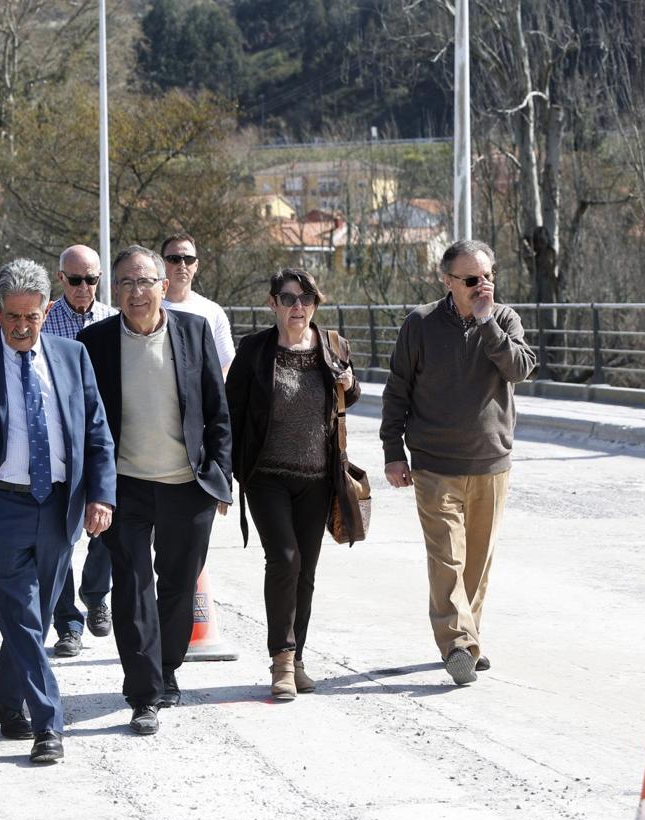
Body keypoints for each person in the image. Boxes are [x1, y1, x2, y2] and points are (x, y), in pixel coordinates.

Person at [0, 258, 116, 764]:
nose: (20, 328)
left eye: (31, 317)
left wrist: (101, 496)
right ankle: (48, 725)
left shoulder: (72, 357)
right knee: (20, 617)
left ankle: (1, 697)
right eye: (11, 317)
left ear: (46, 310)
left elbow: (97, 433)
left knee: (35, 618)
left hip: (60, 506)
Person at [78, 245, 232, 735]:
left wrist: (221, 478)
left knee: (179, 587)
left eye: (145, 282)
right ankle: (142, 693)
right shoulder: (95, 341)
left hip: (187, 485)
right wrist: (92, 489)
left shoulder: (194, 331)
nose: (136, 293)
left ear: (164, 287)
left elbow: (218, 412)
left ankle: (166, 668)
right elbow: (87, 421)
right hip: (124, 487)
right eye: (125, 283)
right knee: (131, 591)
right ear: (114, 291)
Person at [380, 239, 536, 686]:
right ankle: (457, 646)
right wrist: (393, 452)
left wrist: (487, 322)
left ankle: (469, 638)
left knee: (477, 564)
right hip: (434, 464)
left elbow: (520, 368)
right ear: (448, 282)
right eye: (471, 280)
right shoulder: (421, 324)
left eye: (487, 277)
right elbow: (398, 389)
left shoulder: (504, 319)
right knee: (447, 558)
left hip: (491, 463)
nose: (481, 285)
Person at [225, 268, 359, 700]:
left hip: (318, 479)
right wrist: (226, 473)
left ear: (316, 304)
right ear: (273, 304)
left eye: (305, 299)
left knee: (307, 569)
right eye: (287, 299)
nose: (297, 307)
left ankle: (297, 658)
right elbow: (231, 412)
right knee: (284, 559)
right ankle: (281, 661)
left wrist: (349, 383)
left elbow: (346, 398)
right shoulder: (254, 350)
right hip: (266, 476)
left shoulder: (333, 346)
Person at [43, 244, 118, 658]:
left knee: (106, 527)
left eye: (91, 279)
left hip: (105, 439)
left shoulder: (113, 320)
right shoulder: (46, 323)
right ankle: (67, 623)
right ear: (61, 280)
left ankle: (96, 592)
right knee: (60, 540)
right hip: (60, 444)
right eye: (75, 280)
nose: (84, 287)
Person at [159, 233, 236, 375]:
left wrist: (213, 392)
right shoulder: (148, 308)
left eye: (188, 259)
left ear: (196, 265)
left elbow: (227, 362)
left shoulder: (213, 311)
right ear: (162, 264)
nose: (182, 265)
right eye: (174, 259)